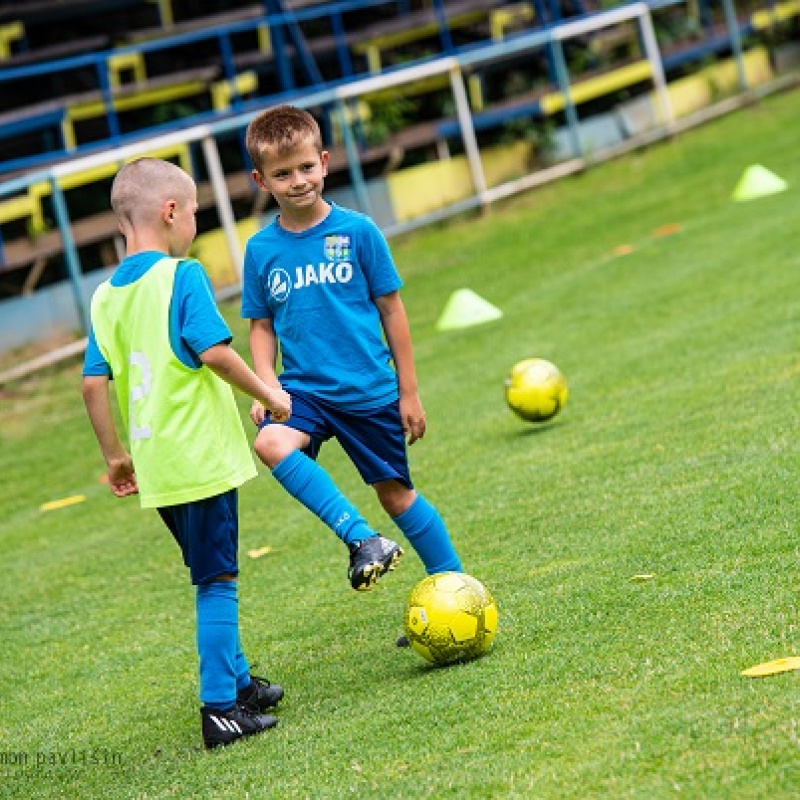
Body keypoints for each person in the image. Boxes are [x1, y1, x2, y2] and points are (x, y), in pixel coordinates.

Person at [81, 157, 292, 750]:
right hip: (198, 458)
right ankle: (221, 710)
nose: (195, 222)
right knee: (218, 580)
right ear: (170, 211)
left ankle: (240, 682)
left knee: (208, 571)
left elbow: (94, 383)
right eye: (195, 211)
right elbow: (215, 353)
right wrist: (270, 393)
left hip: (156, 464)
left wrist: (116, 456)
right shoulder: (183, 275)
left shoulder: (103, 297)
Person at [241, 105, 463, 609]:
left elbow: (393, 310)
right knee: (272, 443)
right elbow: (261, 325)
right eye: (282, 173)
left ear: (324, 161)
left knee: (396, 495)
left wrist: (408, 392)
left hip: (368, 389)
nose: (297, 181)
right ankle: (362, 540)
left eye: (305, 168)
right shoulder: (260, 250)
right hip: (305, 391)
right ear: (261, 180)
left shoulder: (359, 232)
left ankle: (454, 586)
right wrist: (265, 385)